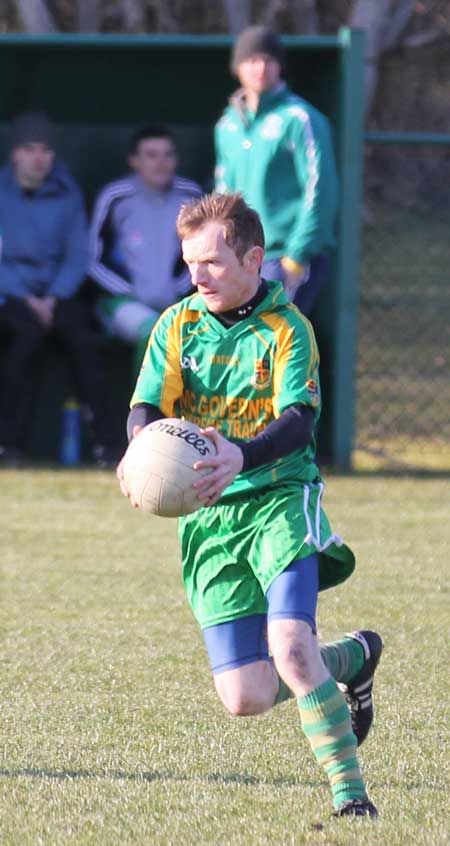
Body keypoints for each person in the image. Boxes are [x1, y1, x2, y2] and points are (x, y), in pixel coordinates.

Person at [117, 193, 382, 819]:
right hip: (211, 518)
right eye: (188, 263)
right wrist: (138, 452)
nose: (196, 276)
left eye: (210, 262)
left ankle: (352, 797)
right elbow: (147, 407)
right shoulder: (178, 324)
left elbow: (299, 419)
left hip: (279, 497)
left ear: (253, 258)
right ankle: (354, 656)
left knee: (290, 646)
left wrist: (244, 456)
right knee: (246, 696)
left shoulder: (289, 329)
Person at [0, 110, 118, 468]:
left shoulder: (67, 192)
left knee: (83, 341)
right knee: (24, 340)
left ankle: (110, 446)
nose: (40, 159)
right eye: (31, 150)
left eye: (46, 151)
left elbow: (77, 254)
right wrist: (27, 298)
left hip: (58, 294)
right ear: (15, 154)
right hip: (12, 295)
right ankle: (9, 446)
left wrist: (52, 298)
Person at [214, 26, 338, 316]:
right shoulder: (227, 125)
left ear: (280, 66)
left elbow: (320, 188)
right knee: (245, 348)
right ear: (237, 67)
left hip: (285, 255)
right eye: (252, 60)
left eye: (269, 60)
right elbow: (223, 195)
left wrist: (297, 254)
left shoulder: (300, 119)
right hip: (242, 258)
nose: (261, 68)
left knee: (275, 344)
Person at [89, 124, 203, 375]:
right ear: (134, 160)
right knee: (153, 333)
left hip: (176, 302)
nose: (160, 163)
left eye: (168, 154)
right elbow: (91, 259)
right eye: (151, 155)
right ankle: (142, 413)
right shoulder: (115, 196)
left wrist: (176, 289)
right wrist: (131, 291)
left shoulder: (191, 194)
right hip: (122, 302)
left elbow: (204, 253)